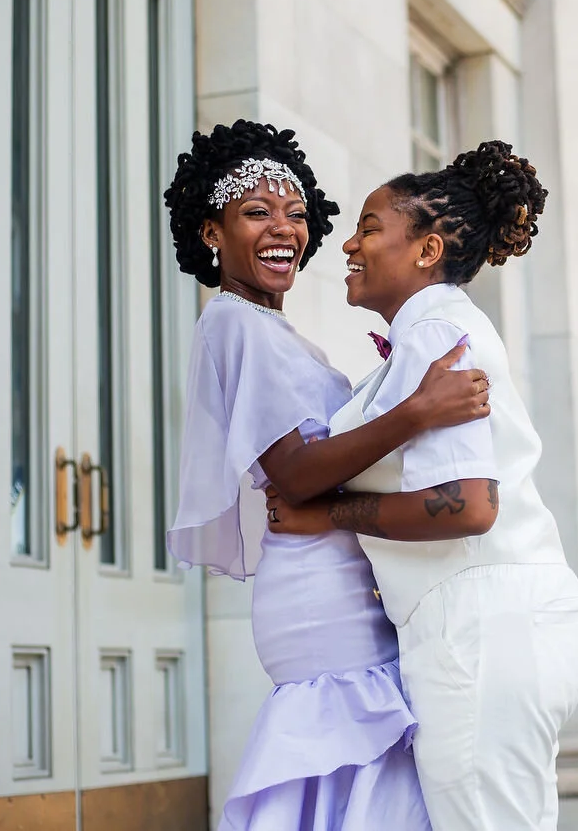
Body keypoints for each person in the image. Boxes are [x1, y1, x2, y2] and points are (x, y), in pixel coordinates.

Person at [163, 120, 492, 830]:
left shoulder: (275, 332)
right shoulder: (233, 322)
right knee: (360, 780)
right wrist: (418, 410)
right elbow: (295, 473)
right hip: (318, 593)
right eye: (256, 212)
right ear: (212, 232)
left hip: (337, 576)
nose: (283, 228)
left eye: (295, 212)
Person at [267, 141, 578, 830]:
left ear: (427, 250)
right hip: (490, 621)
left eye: (369, 228)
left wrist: (332, 513)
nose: (348, 244)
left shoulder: (436, 332)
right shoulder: (431, 333)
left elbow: (469, 506)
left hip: (480, 626)